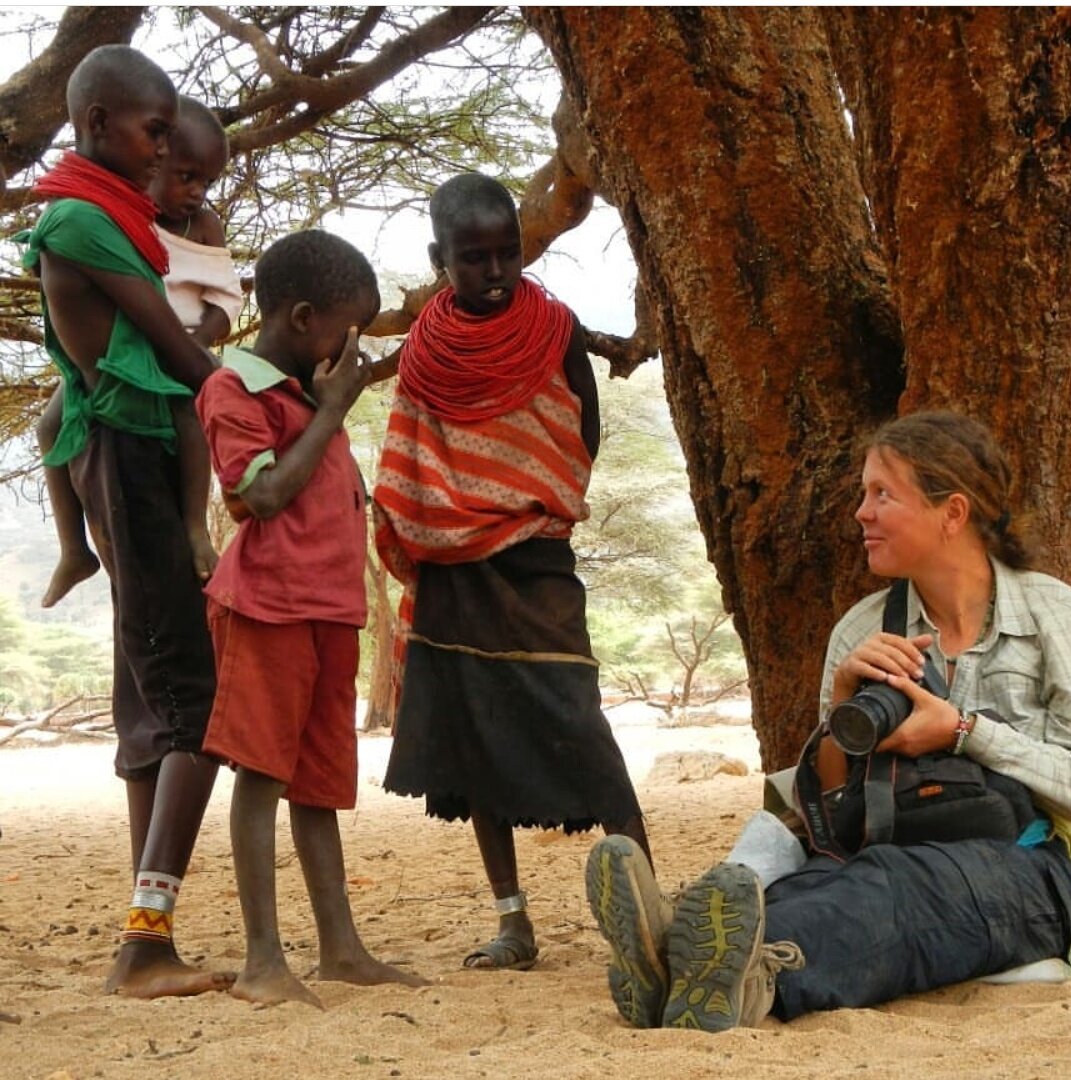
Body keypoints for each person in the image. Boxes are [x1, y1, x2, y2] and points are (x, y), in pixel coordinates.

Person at [586, 410, 1071, 1030]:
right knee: (819, 884)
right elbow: (831, 809)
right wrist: (843, 710)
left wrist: (962, 731)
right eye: (862, 494)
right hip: (884, 846)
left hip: (1026, 868)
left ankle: (742, 975)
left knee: (892, 891)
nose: (861, 514)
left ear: (951, 513)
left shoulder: (1054, 616)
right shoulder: (863, 628)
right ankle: (682, 969)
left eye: (882, 494)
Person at [373, 172, 652, 972]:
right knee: (471, 734)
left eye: (507, 254)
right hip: (452, 567)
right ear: (441, 259)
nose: (495, 271)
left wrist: (529, 493)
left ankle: (648, 901)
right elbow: (410, 445)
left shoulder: (554, 328)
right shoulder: (424, 349)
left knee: (578, 716)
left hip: (534, 557)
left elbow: (579, 430)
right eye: (474, 258)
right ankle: (513, 922)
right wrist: (449, 512)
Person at [18, 45, 228, 998]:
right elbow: (184, 353)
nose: (157, 154)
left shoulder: (117, 218)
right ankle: (144, 945)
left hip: (128, 454)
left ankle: (152, 929)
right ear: (97, 121)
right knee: (195, 707)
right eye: (151, 132)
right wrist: (276, 413)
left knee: (152, 705)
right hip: (130, 455)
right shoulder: (82, 223)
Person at [196, 229, 425, 1007]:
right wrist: (329, 413)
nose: (353, 351)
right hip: (267, 609)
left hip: (329, 615)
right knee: (262, 777)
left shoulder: (307, 393)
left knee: (320, 786)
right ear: (300, 318)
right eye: (345, 330)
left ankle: (341, 948)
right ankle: (264, 959)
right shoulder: (236, 390)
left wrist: (325, 408)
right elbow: (258, 497)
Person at [35, 93, 241, 608]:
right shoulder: (119, 218)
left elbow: (225, 295)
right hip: (125, 354)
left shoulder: (203, 227)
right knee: (47, 425)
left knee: (187, 413)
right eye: (185, 176)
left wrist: (201, 340)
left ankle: (196, 528)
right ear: (154, 163)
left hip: (178, 355)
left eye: (206, 183)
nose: (195, 193)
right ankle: (72, 549)